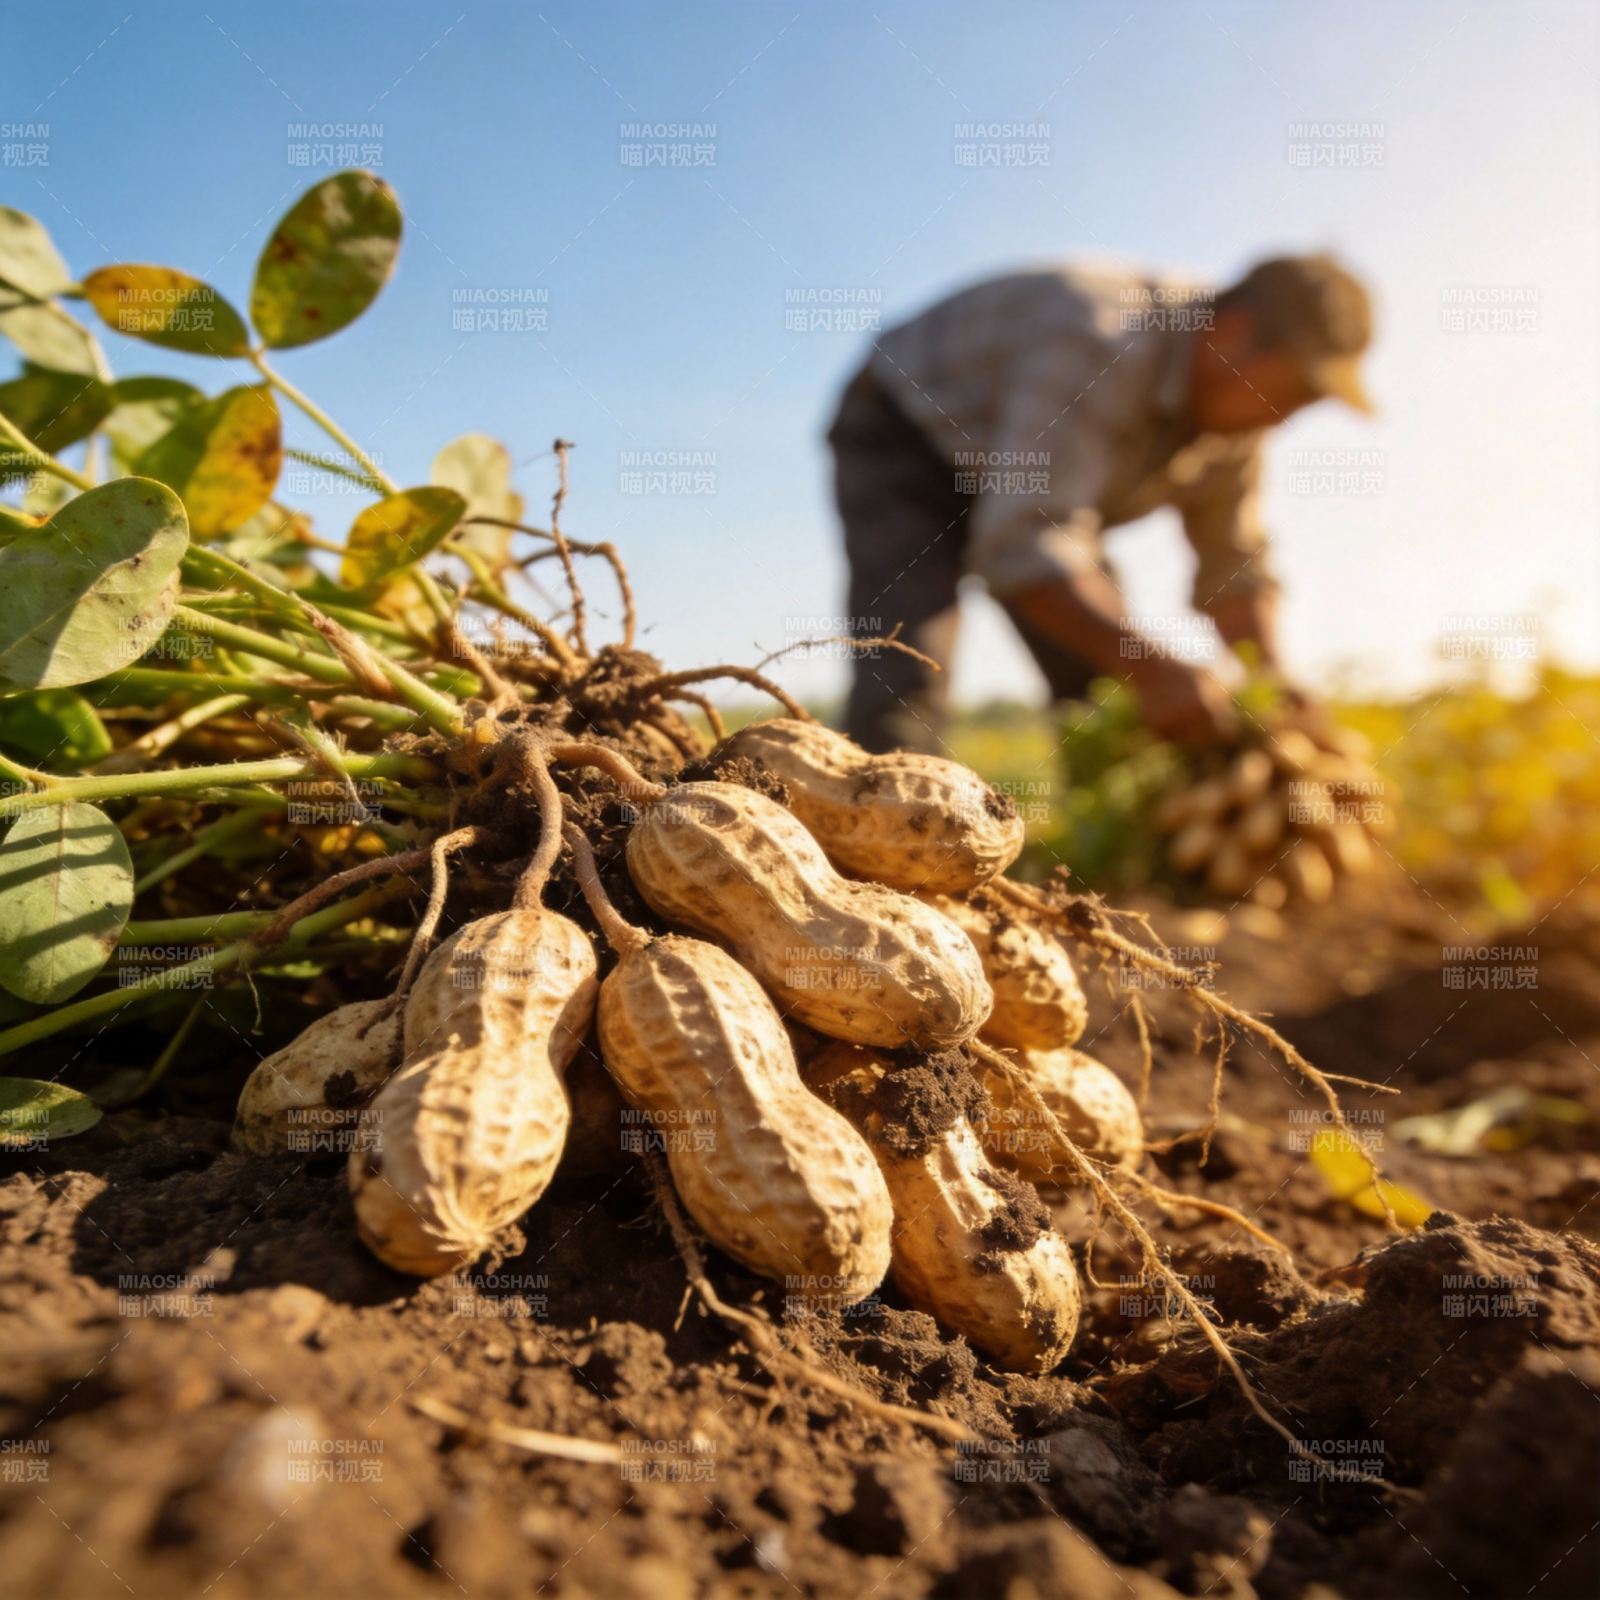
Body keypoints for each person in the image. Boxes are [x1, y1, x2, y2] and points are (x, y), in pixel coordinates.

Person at [830, 254, 1374, 754]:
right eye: (1296, 392)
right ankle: (875, 842)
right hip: (910, 429)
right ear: (1232, 336)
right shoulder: (1098, 338)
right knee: (905, 663)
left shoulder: (1238, 419)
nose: (1289, 417)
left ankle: (1105, 850)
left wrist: (1273, 680)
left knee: (1103, 684)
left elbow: (1232, 565)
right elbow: (1025, 543)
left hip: (1033, 488)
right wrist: (1155, 671)